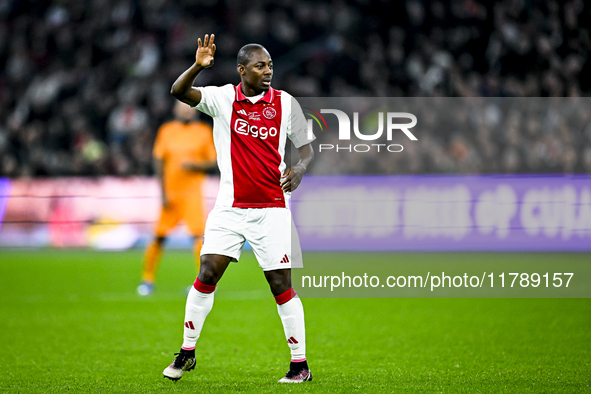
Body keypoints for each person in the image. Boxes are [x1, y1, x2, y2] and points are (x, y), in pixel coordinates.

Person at [162, 34, 315, 383]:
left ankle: (299, 365)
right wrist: (198, 67)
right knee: (206, 273)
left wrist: (301, 168)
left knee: (280, 284)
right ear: (242, 69)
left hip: (272, 207)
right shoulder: (222, 98)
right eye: (260, 66)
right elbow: (178, 92)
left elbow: (305, 148)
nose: (268, 71)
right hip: (229, 207)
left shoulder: (286, 103)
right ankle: (186, 353)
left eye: (271, 65)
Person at [137, 101, 217, 296]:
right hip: (171, 194)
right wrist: (163, 192)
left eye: (190, 107)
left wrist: (195, 166)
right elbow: (158, 160)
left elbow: (213, 162)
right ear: (175, 110)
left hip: (192, 195)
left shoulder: (203, 131)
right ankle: (147, 280)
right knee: (159, 236)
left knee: (198, 236)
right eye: (182, 107)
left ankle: (201, 284)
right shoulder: (167, 131)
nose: (186, 110)